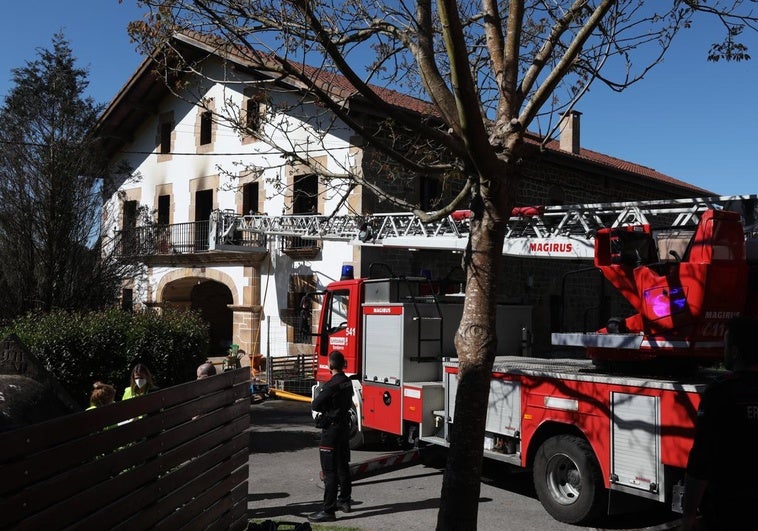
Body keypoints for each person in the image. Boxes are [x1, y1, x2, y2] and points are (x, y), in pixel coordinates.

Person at [680, 316, 758, 530]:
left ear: (734, 352)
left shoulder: (721, 392)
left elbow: (701, 459)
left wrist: (688, 515)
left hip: (731, 508)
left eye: (725, 345)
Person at [308, 350, 354, 523]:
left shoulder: (331, 385)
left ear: (331, 365)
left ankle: (328, 510)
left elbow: (316, 404)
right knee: (343, 465)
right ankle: (345, 501)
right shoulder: (347, 382)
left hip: (332, 431)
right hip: (343, 428)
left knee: (329, 471)